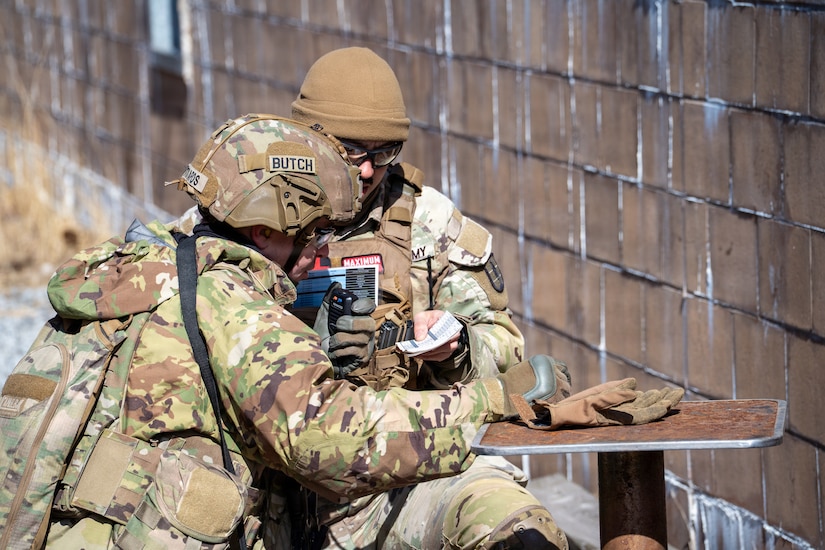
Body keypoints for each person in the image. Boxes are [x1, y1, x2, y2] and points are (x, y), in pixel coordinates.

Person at [39, 113, 573, 549]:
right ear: (263, 230)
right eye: (313, 232)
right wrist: (491, 400)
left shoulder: (146, 263)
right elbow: (329, 436)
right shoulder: (234, 305)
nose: (322, 248)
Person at [291, 46, 525, 391]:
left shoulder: (431, 223)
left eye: (383, 151)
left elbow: (506, 350)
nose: (368, 169)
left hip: (402, 432)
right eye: (351, 149)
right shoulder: (250, 213)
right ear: (309, 140)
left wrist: (457, 348)